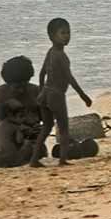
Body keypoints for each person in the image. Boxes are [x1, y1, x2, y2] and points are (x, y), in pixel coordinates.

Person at [30, 18, 92, 167]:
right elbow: (69, 78)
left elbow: (42, 74)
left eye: (68, 33)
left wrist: (40, 92)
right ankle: (63, 160)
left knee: (46, 127)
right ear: (51, 36)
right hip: (56, 95)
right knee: (63, 128)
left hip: (46, 92)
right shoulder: (61, 56)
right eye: (62, 33)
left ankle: (33, 160)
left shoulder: (50, 52)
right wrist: (83, 96)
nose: (67, 36)